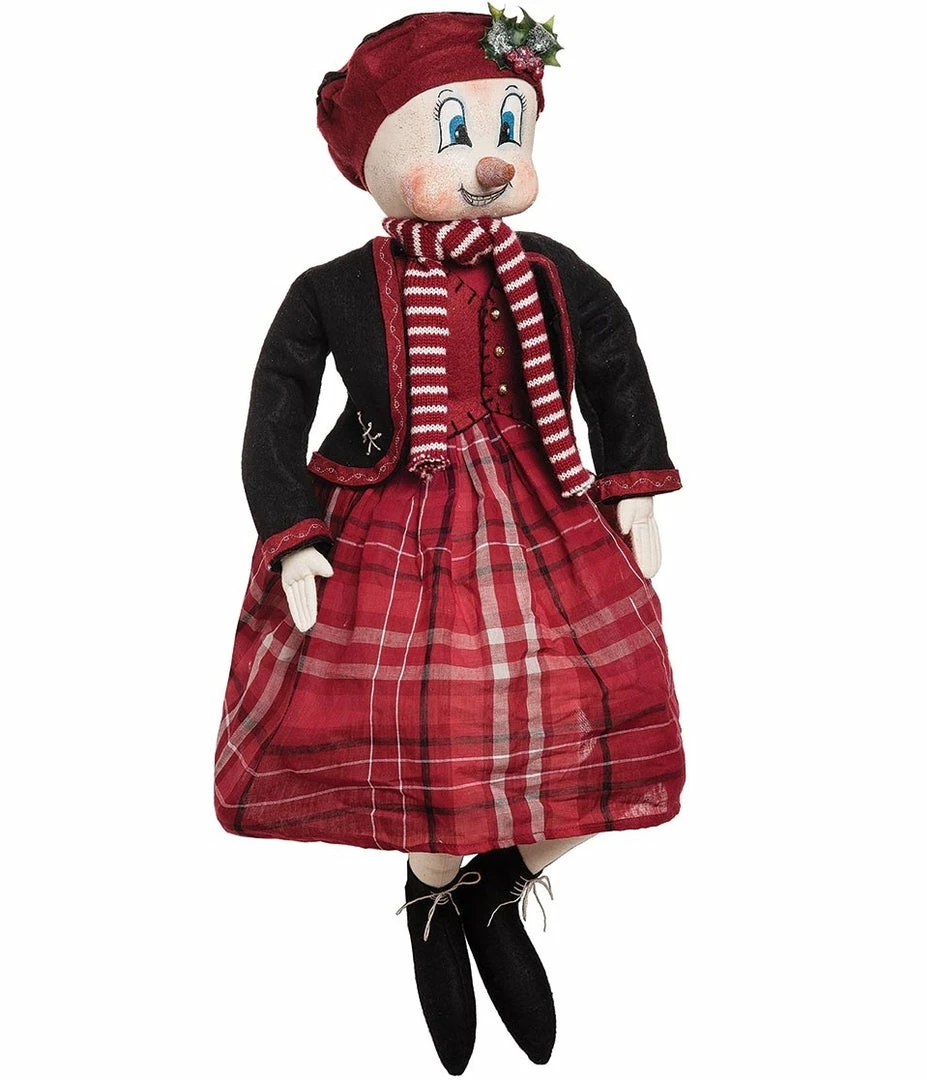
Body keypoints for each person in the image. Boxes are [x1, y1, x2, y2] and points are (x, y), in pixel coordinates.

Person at [215, 8, 685, 1073]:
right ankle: (432, 892)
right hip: (396, 514)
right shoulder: (333, 289)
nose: (490, 162)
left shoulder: (552, 270)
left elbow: (612, 362)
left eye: (509, 128)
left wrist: (635, 483)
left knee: (614, 703)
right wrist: (290, 528)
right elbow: (276, 406)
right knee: (430, 722)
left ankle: (495, 886)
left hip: (542, 503)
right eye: (455, 132)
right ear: (380, 154)